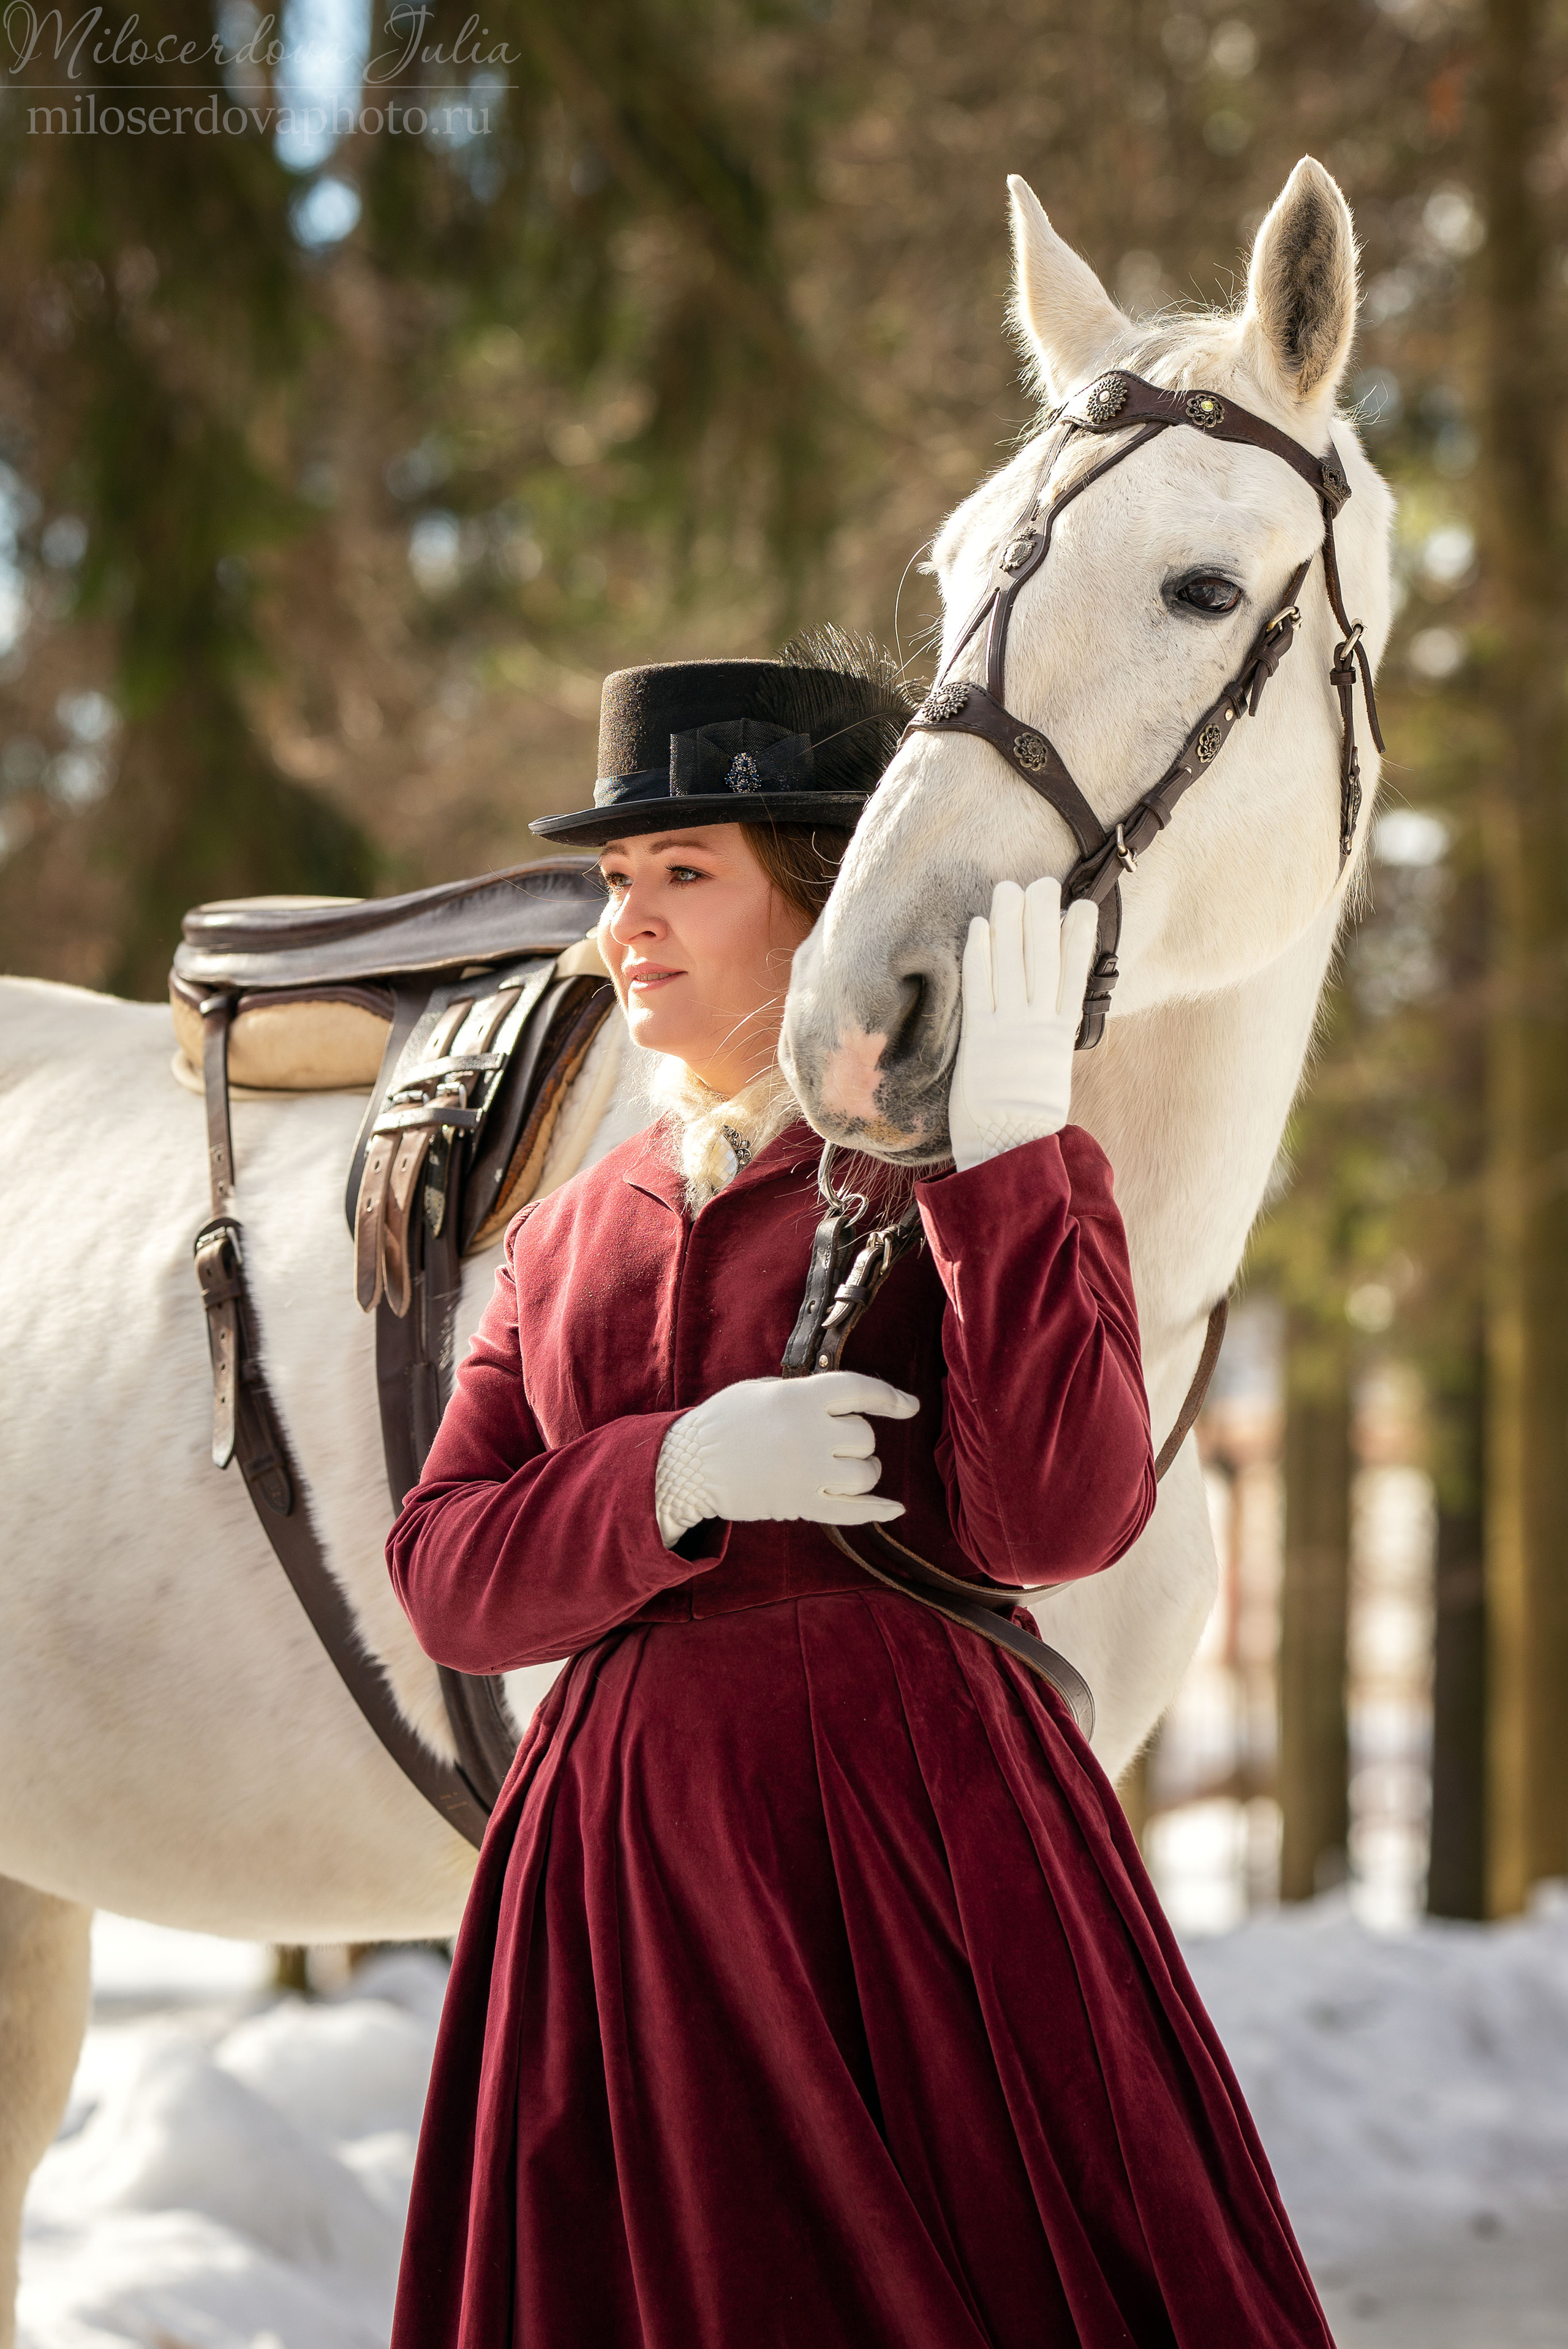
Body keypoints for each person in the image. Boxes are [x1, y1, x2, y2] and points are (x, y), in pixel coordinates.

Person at [386, 641, 1336, 2348]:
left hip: (915, 1860)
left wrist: (1010, 1150)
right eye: (617, 879)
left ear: (823, 902)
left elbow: (1058, 1517)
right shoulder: (568, 1230)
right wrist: (665, 1473)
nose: (631, 921)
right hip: (622, 1889)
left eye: (686, 873)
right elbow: (449, 1573)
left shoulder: (972, 1171)